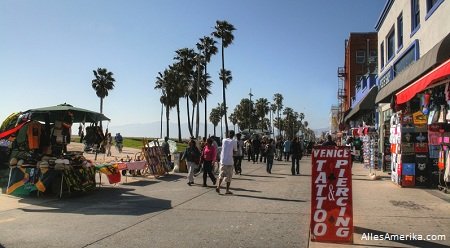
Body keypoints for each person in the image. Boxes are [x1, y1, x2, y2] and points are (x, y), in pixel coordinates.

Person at [216, 130, 237, 195]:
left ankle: (218, 187)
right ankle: (227, 190)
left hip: (223, 161)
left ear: (228, 134)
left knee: (221, 175)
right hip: (230, 161)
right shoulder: (234, 141)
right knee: (229, 176)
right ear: (234, 135)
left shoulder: (224, 140)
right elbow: (235, 152)